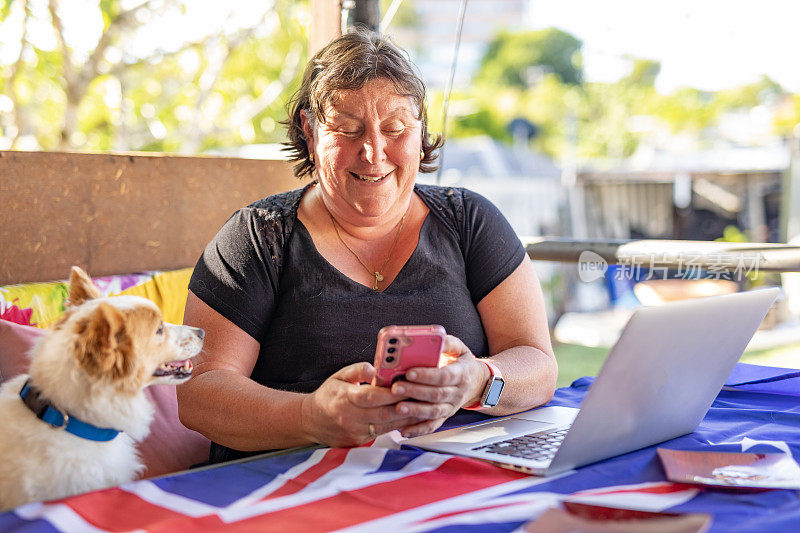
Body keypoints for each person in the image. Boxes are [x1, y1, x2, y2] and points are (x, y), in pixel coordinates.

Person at [177, 28, 557, 465]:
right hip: (287, 489)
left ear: (421, 132)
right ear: (309, 129)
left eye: (395, 128)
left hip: (447, 480)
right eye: (347, 129)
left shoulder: (470, 221)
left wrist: (478, 380)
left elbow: (538, 365)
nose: (373, 151)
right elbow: (199, 394)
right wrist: (309, 417)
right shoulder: (258, 237)